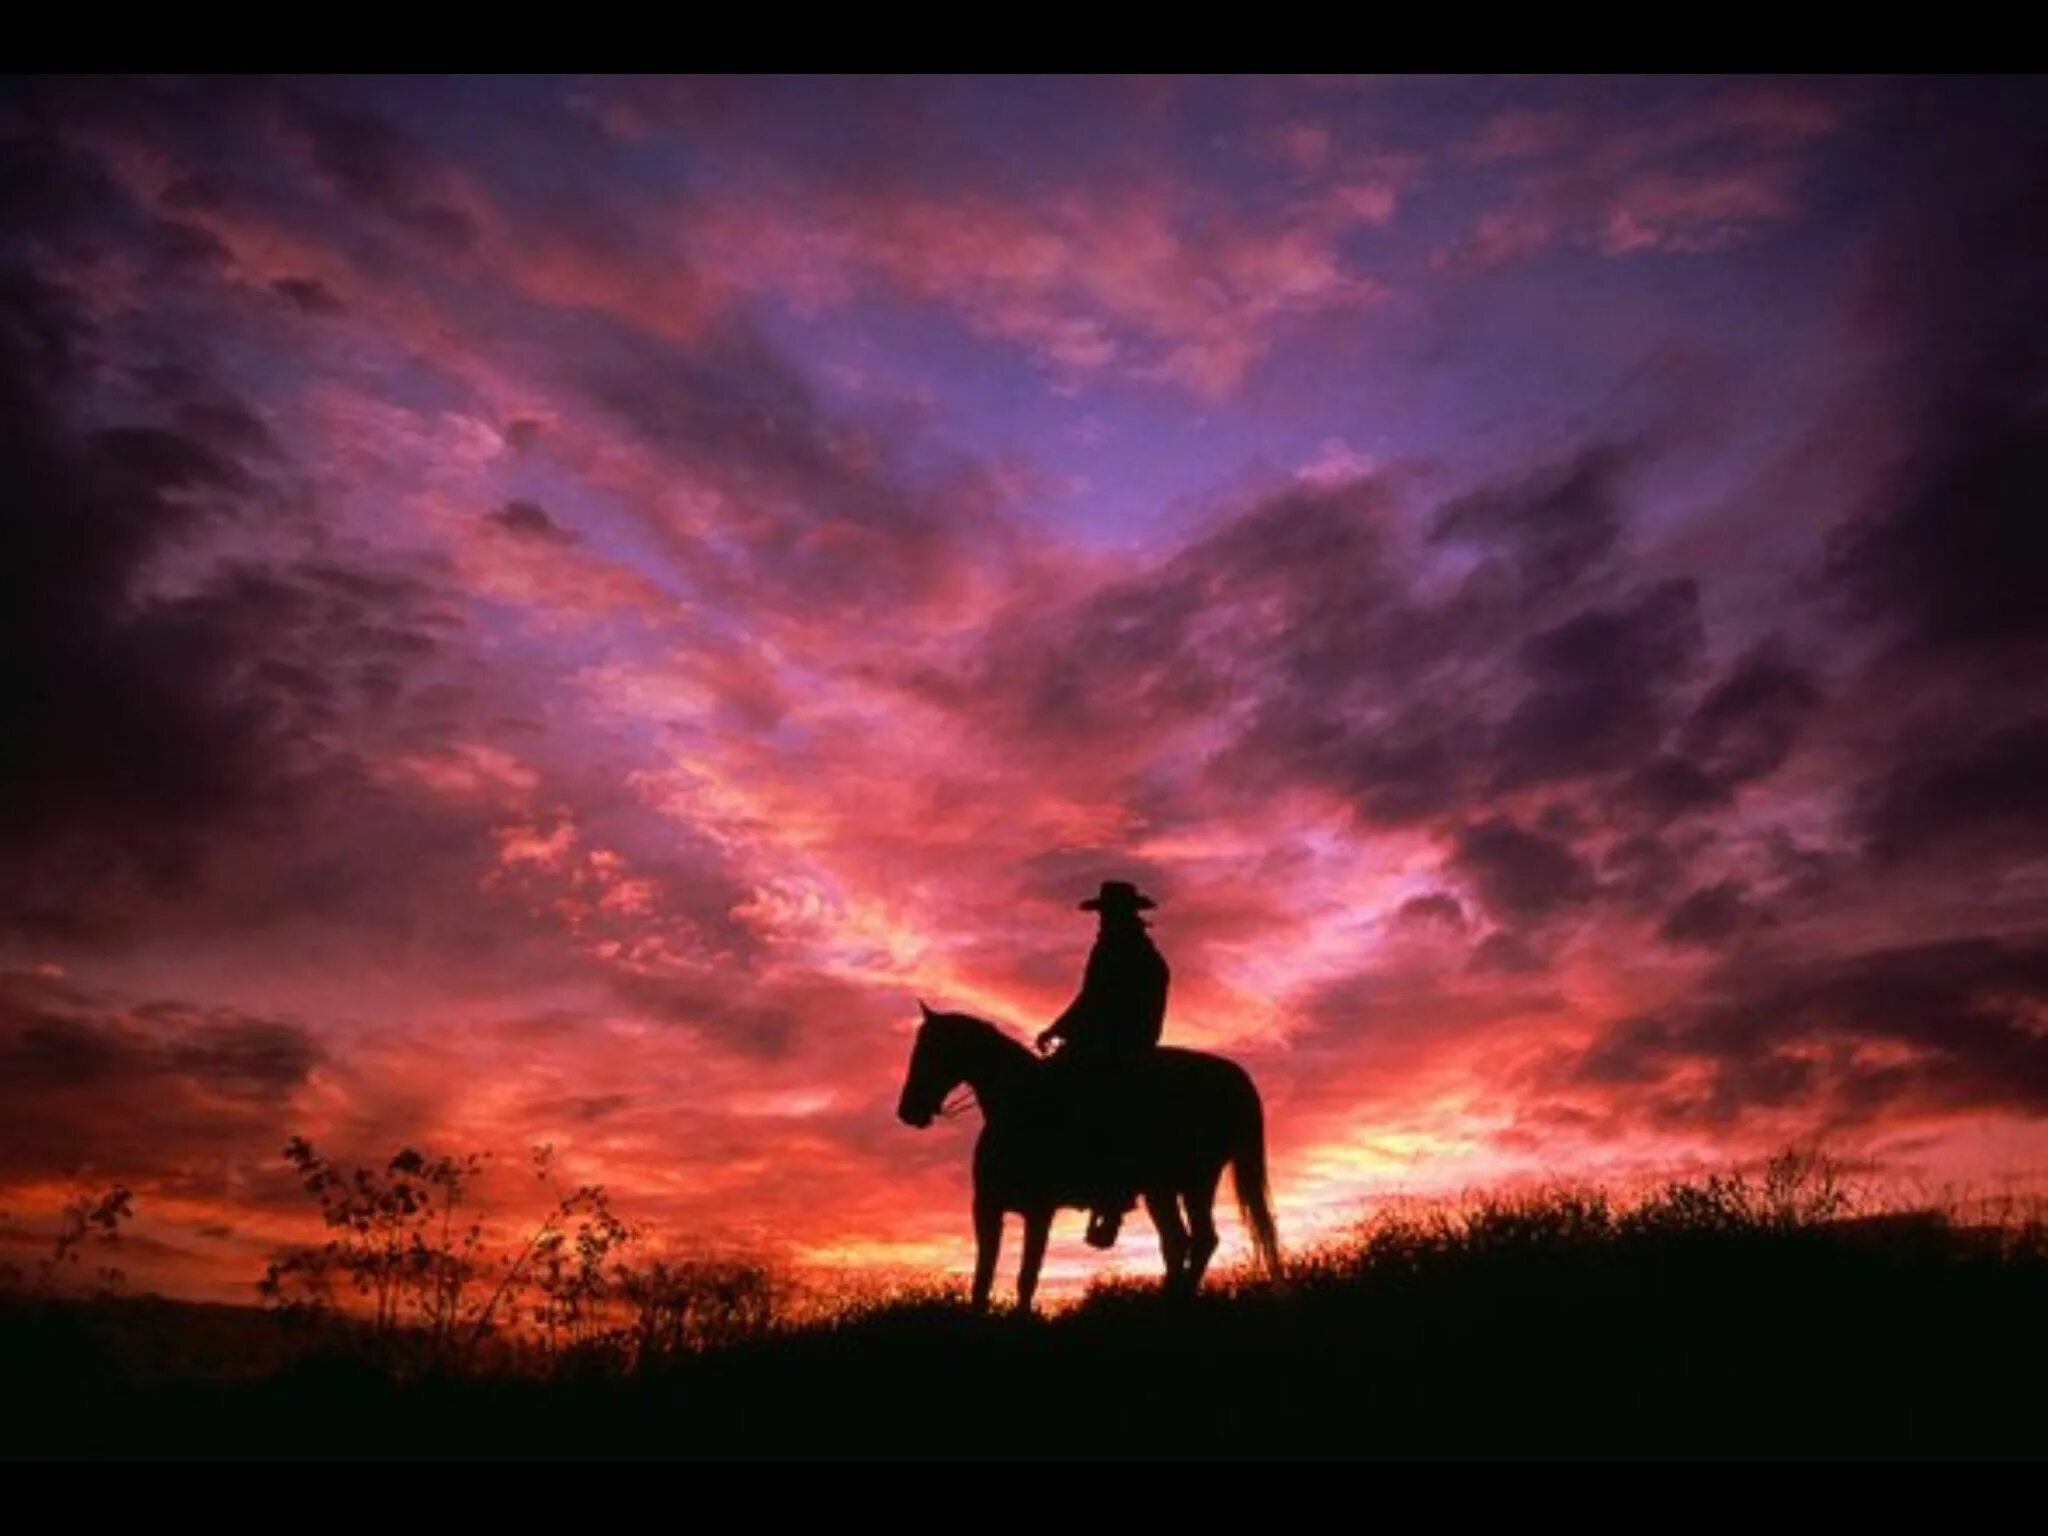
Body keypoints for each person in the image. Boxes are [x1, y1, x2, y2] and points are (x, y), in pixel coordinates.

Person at [1035, 880, 1170, 1249]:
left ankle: (1106, 1191)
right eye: (1103, 913)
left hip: (1116, 1043)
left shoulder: (1121, 949)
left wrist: (1059, 1029)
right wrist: (1063, 1029)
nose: (1102, 920)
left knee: (1080, 1099)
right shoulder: (1134, 949)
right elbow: (1091, 999)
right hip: (1120, 1038)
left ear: (1123, 914)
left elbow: (1094, 999)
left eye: (1107, 913)